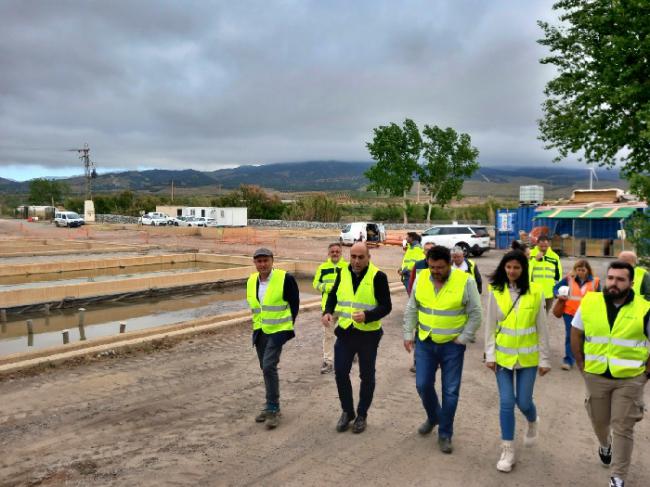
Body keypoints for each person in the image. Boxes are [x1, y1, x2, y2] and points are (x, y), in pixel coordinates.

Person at [571, 261, 650, 487]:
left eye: (620, 279)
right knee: (599, 421)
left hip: (630, 379)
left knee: (623, 426)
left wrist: (646, 373)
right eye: (611, 278)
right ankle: (605, 444)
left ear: (631, 283)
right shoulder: (590, 302)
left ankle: (617, 477)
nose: (614, 283)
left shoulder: (644, 308)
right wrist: (581, 364)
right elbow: (576, 333)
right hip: (596, 376)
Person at [403, 245, 482, 454]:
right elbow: (412, 308)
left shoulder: (465, 280)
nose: (435, 271)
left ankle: (445, 433)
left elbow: (476, 313)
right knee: (422, 385)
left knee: (450, 391)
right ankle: (434, 416)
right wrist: (408, 334)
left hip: (452, 346)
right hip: (425, 342)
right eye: (432, 267)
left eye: (439, 267)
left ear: (449, 264)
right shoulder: (421, 278)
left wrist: (464, 337)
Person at [484, 250, 551, 472]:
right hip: (503, 358)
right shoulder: (496, 291)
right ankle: (508, 450)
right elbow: (490, 327)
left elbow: (543, 329)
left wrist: (545, 359)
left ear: (524, 270)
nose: (512, 271)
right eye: (508, 267)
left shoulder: (535, 293)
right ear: (504, 268)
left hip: (528, 359)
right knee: (506, 403)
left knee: (523, 402)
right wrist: (490, 354)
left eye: (517, 267)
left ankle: (533, 421)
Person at [322, 242, 392, 434]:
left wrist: (368, 316)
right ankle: (347, 411)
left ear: (369, 257)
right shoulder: (343, 272)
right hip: (345, 332)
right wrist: (328, 311)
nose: (356, 261)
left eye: (361, 257)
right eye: (353, 256)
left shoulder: (378, 276)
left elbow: (386, 306)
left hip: (368, 335)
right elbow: (333, 296)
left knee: (366, 376)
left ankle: (362, 415)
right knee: (341, 372)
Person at [246, 248, 300, 429]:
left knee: (269, 365)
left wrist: (288, 326)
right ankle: (270, 403)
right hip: (260, 331)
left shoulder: (285, 278)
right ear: (255, 263)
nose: (262, 264)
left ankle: (273, 408)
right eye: (259, 261)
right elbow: (256, 308)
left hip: (278, 330)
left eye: (265, 260)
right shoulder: (252, 281)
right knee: (266, 368)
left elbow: (294, 303)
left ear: (272, 260)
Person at [553, 259, 601, 370]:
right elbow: (555, 288)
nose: (580, 272)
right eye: (578, 270)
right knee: (570, 336)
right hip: (570, 313)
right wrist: (557, 295)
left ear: (588, 270)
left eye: (583, 270)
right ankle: (568, 360)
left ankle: (584, 360)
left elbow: (599, 298)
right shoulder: (569, 279)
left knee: (585, 337)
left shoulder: (595, 282)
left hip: (587, 314)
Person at [313, 242, 348, 374]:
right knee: (328, 335)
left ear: (341, 253)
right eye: (332, 251)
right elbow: (316, 283)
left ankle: (348, 356)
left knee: (347, 334)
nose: (335, 254)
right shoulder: (322, 267)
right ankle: (328, 362)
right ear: (328, 253)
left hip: (345, 308)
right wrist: (327, 288)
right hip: (329, 309)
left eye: (337, 251)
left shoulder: (347, 267)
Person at [406, 241, 434, 373]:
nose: (428, 252)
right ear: (423, 252)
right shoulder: (418, 266)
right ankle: (417, 363)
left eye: (431, 250)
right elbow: (411, 285)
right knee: (419, 335)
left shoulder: (442, 265)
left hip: (438, 308)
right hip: (420, 307)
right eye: (426, 250)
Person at [529, 235, 562, 313]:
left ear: (549, 244)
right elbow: (526, 270)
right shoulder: (531, 255)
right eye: (541, 246)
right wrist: (535, 260)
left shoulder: (554, 257)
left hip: (549, 293)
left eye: (545, 246)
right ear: (537, 244)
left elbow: (558, 274)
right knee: (532, 315)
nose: (543, 248)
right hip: (534, 292)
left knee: (544, 315)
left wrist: (556, 289)